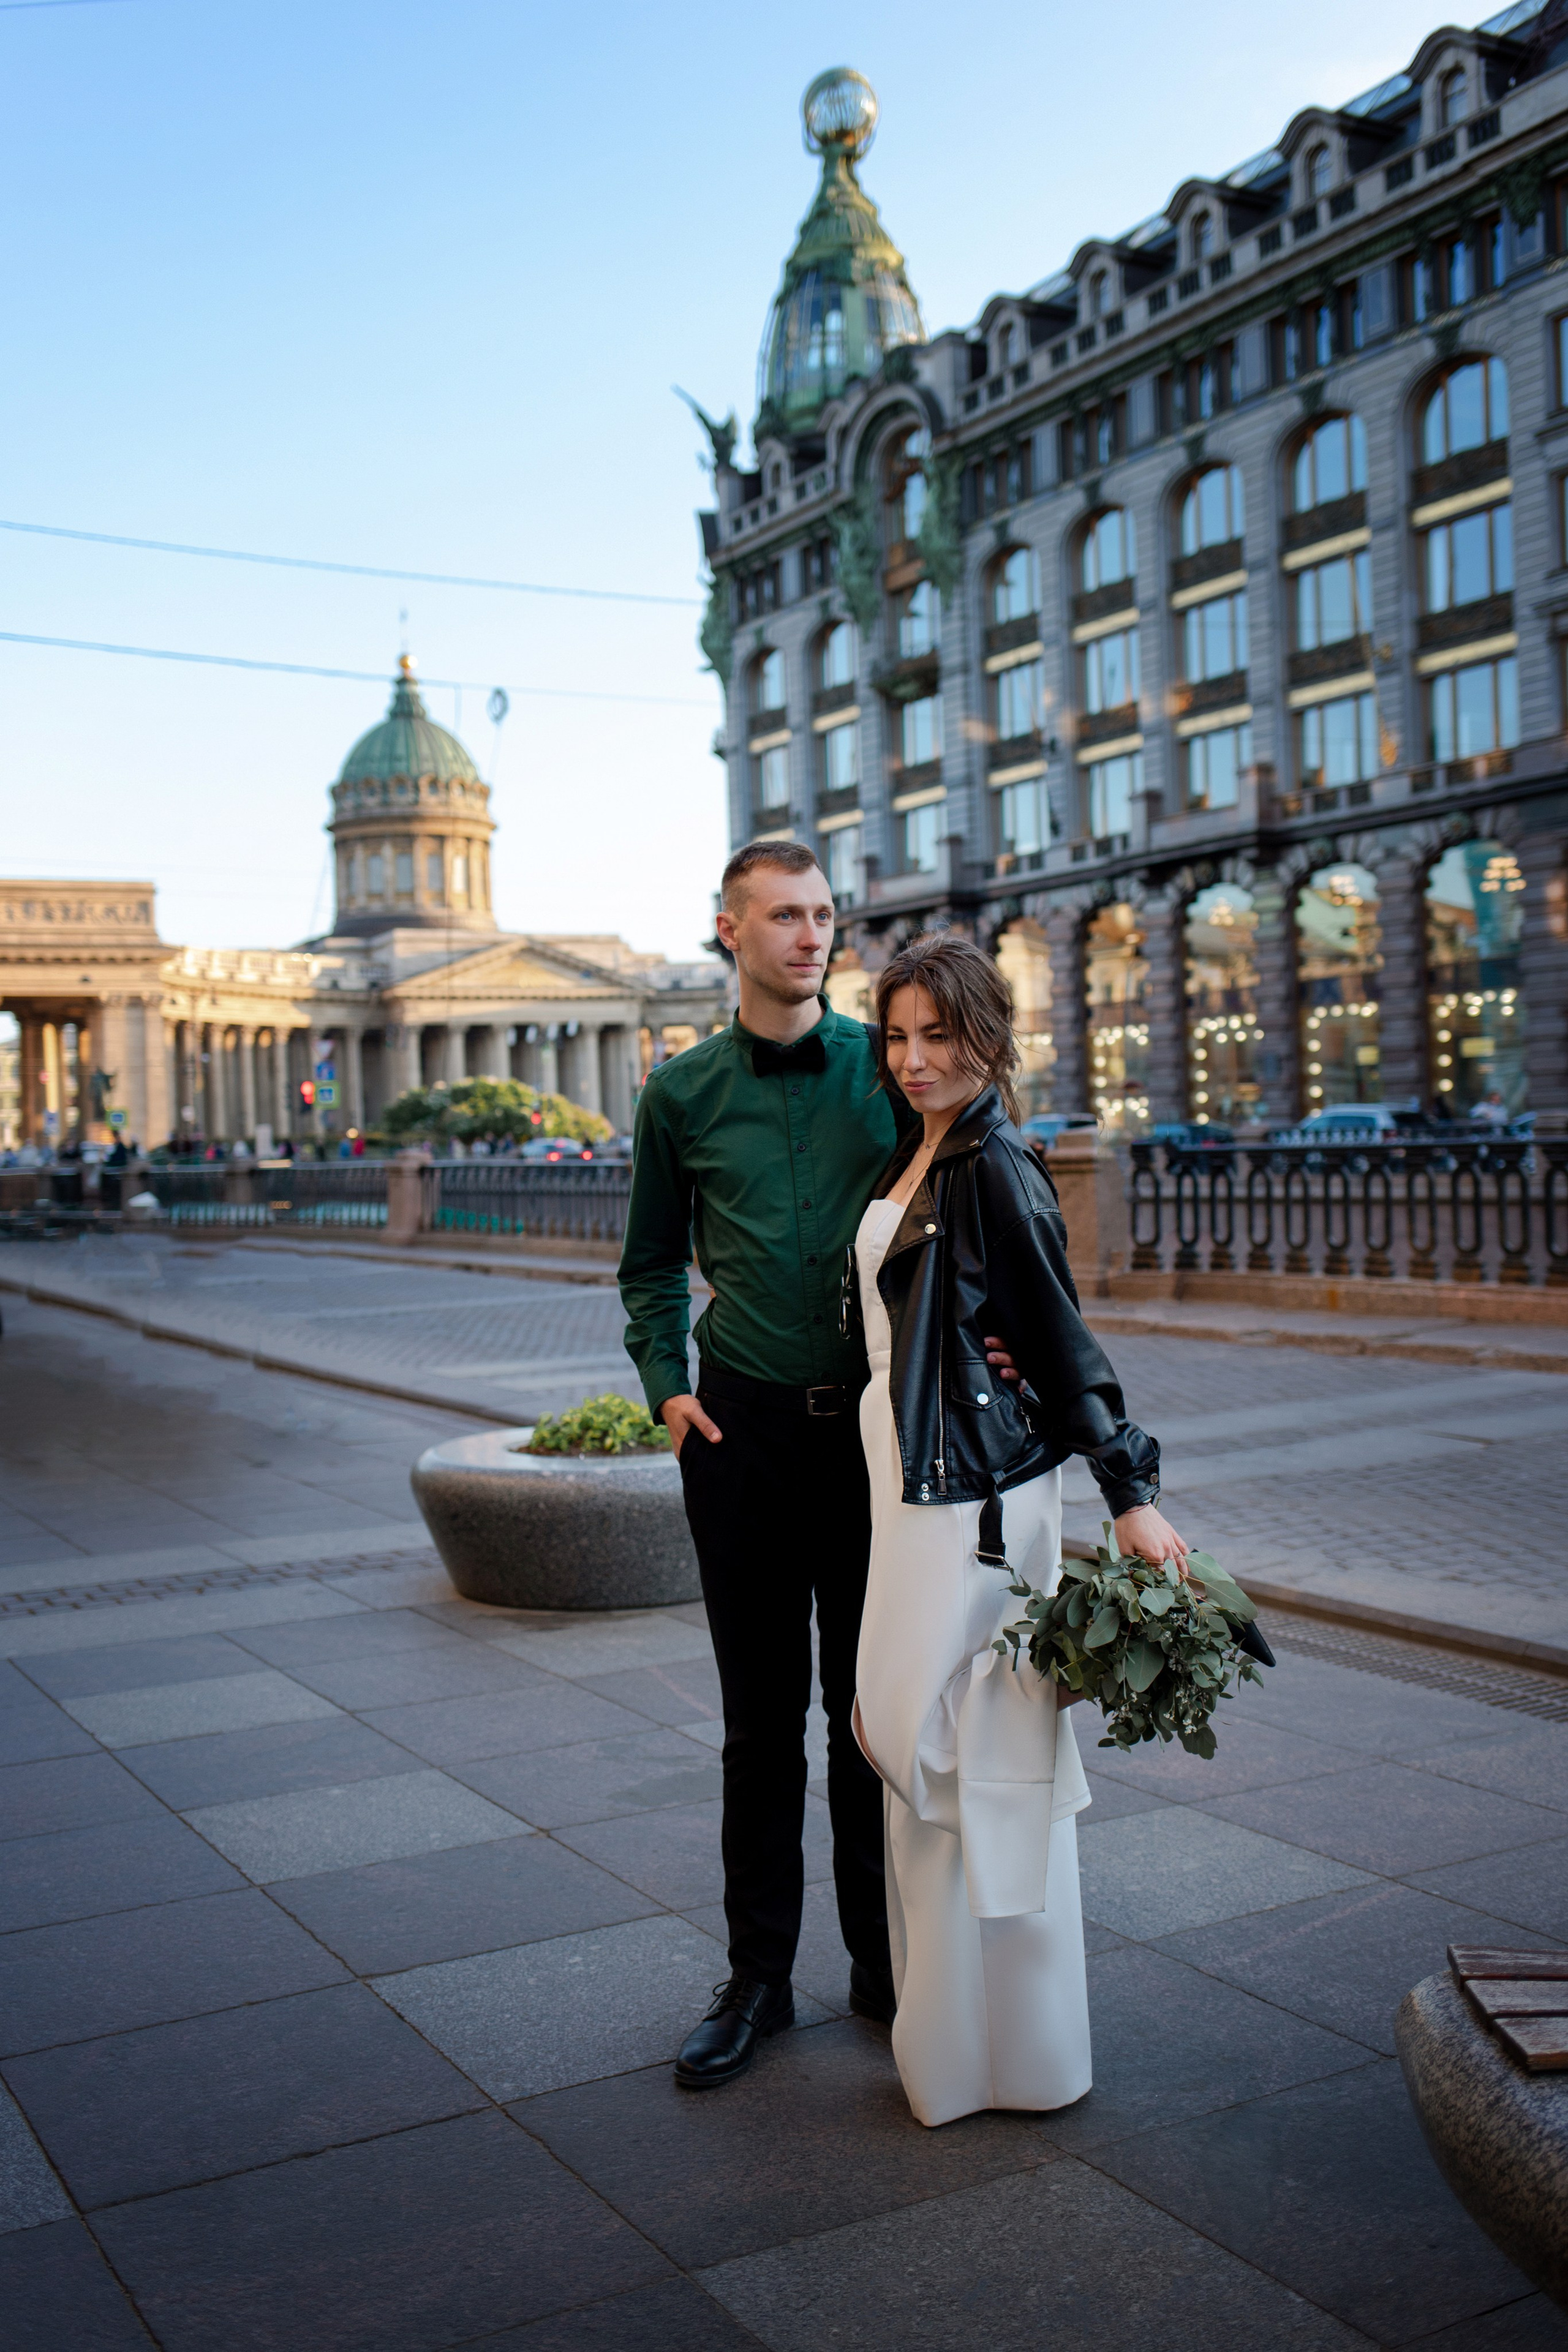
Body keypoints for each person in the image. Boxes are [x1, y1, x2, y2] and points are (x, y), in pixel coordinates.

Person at [619, 843, 1022, 2090]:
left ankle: (879, 1962)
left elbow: (968, 1192)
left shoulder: (885, 1066)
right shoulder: (678, 1094)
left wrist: (999, 1333)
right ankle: (757, 1981)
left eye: (823, 916)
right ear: (730, 931)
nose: (811, 936)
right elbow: (649, 1263)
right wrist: (668, 1387)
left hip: (867, 1437)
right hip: (736, 1433)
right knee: (757, 1726)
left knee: (868, 1715)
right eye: (785, 916)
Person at [851, 933, 1187, 2128]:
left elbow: (1059, 1337)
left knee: (968, 1758)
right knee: (933, 1766)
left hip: (972, 1502)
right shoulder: (917, 1148)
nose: (913, 1059)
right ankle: (958, 2054)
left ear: (988, 1037)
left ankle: (1019, 2057)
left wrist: (1129, 1492)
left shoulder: (997, 1166)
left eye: (937, 1035)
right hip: (914, 1483)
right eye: (897, 1037)